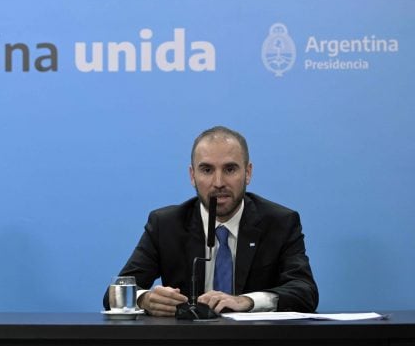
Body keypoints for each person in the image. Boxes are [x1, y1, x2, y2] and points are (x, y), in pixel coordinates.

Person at [105, 126, 318, 316]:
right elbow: (113, 294)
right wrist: (145, 299)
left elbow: (304, 291)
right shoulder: (166, 224)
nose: (218, 182)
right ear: (192, 176)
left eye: (230, 169)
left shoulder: (280, 222)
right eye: (207, 170)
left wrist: (247, 301)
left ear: (248, 173)